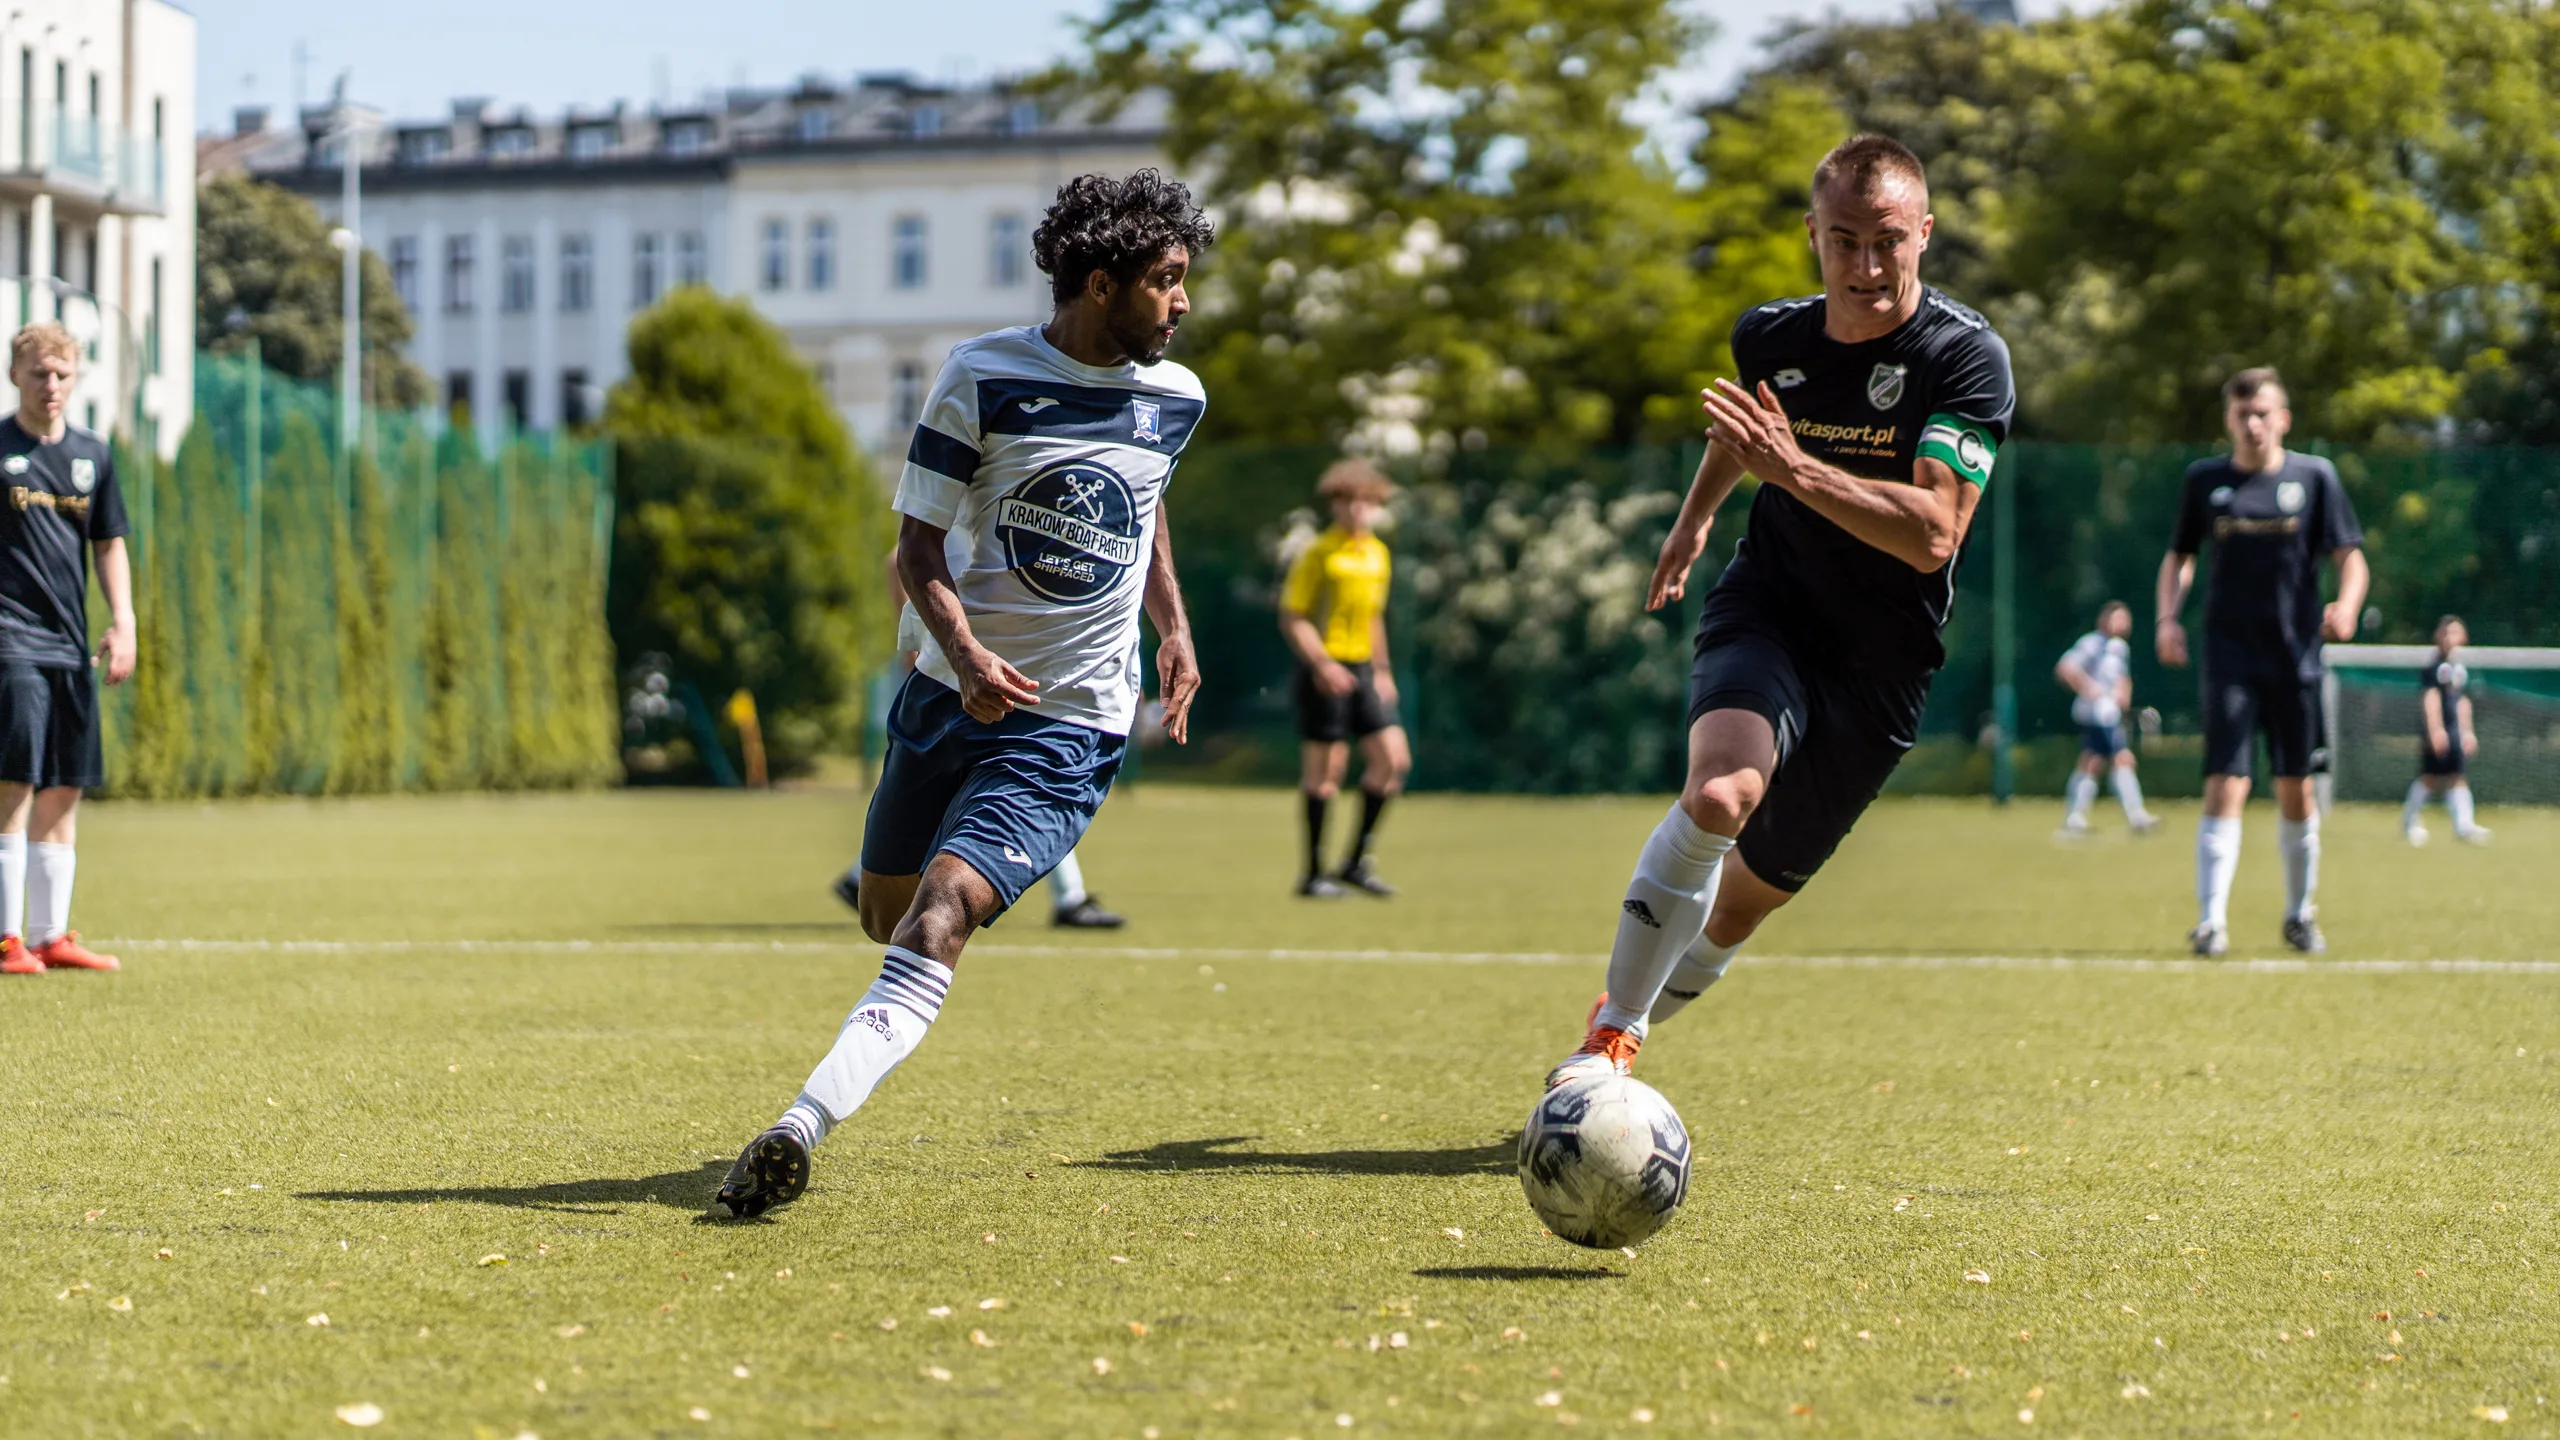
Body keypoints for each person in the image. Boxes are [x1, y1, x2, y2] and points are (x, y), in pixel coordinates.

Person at [715, 170, 1210, 1217]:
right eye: (1166, 281)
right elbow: (918, 542)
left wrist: (1176, 628)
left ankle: (799, 1124)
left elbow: (1149, 504)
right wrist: (969, 654)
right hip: (949, 696)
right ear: (1099, 279)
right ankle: (844, 1054)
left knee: (940, 915)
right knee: (887, 915)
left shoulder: (1179, 398)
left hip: (1068, 726)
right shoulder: (981, 376)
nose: (1182, 302)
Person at [1546, 134, 2014, 1088]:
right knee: (1721, 794)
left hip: (1883, 660)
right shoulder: (1772, 336)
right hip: (1772, 605)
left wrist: (1795, 467)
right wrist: (1693, 524)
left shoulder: (1964, 358)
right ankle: (1609, 1048)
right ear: (1813, 236)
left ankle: (1626, 1015)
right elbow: (1746, 432)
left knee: (1736, 910)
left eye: (1888, 240)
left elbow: (1932, 535)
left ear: (1925, 233)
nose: (1868, 266)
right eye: (1844, 241)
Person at [2156, 366, 2368, 957]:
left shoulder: (2315, 478)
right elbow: (2178, 557)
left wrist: (2346, 606)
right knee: (2226, 781)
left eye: (2262, 413)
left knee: (2295, 789)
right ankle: (2211, 923)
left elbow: (2350, 556)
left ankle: (2300, 914)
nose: (2252, 424)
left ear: (2283, 419)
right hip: (2229, 657)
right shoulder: (2206, 481)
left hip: (2296, 658)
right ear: (2229, 420)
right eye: (2241, 415)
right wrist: (2168, 619)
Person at [834, 559, 1125, 927]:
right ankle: (1069, 897)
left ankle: (1070, 895)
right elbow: (908, 592)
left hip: (1001, 674)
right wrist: (920, 662)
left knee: (1020, 787)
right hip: (957, 679)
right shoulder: (920, 546)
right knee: (1012, 789)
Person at [0, 323, 132, 977]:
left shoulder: (92, 455)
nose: (50, 386)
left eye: (61, 374)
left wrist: (124, 621)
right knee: (16, 783)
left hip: (71, 646)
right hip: (10, 642)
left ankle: (51, 937)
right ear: (14, 376)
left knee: (66, 787)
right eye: (37, 374)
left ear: (74, 378)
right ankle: (5, 941)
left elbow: (108, 542)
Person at [1279, 458, 1409, 897]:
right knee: (1326, 772)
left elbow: (1373, 617)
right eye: (1348, 501)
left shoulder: (1377, 554)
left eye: (1366, 502)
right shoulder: (1319, 552)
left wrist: (1382, 670)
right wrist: (1323, 665)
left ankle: (1355, 863)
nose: (1357, 510)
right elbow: (1293, 615)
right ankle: (1313, 873)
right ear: (1334, 504)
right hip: (1325, 669)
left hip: (1364, 670)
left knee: (1392, 760)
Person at [2054, 601, 2160, 835]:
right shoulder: (2091, 643)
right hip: (2096, 713)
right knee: (2122, 758)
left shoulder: (2119, 648)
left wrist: (2124, 695)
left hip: (2110, 713)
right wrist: (2089, 689)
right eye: (2118, 618)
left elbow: (2122, 678)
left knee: (2092, 762)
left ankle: (2075, 817)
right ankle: (2136, 815)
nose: (2122, 623)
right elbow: (2066, 667)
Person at [2402, 614, 2489, 846]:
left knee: (2458, 777)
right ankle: (2409, 823)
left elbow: (2462, 701)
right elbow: (2430, 698)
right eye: (2446, 633)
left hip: (2456, 730)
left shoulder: (2459, 667)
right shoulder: (2433, 666)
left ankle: (2464, 826)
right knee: (2430, 777)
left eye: (2455, 632)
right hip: (2439, 730)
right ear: (2438, 636)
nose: (2450, 638)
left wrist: (2467, 731)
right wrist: (2435, 729)